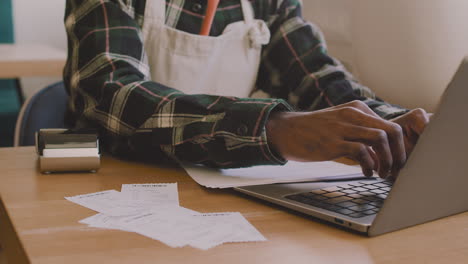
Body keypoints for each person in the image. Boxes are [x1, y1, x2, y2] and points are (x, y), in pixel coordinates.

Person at [63, 0, 429, 179]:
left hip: (222, 195)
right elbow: (112, 96)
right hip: (119, 191)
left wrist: (392, 125)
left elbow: (316, 77)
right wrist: (275, 130)